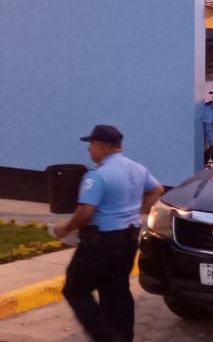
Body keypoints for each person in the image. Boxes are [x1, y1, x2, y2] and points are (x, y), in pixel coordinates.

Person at [56, 125, 164, 342]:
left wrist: (64, 229)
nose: (89, 151)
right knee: (116, 289)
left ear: (102, 146)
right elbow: (158, 190)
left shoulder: (96, 175)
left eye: (91, 146)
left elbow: (86, 212)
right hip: (128, 239)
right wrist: (138, 211)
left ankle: (106, 337)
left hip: (101, 242)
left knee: (75, 289)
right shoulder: (136, 168)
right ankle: (123, 337)